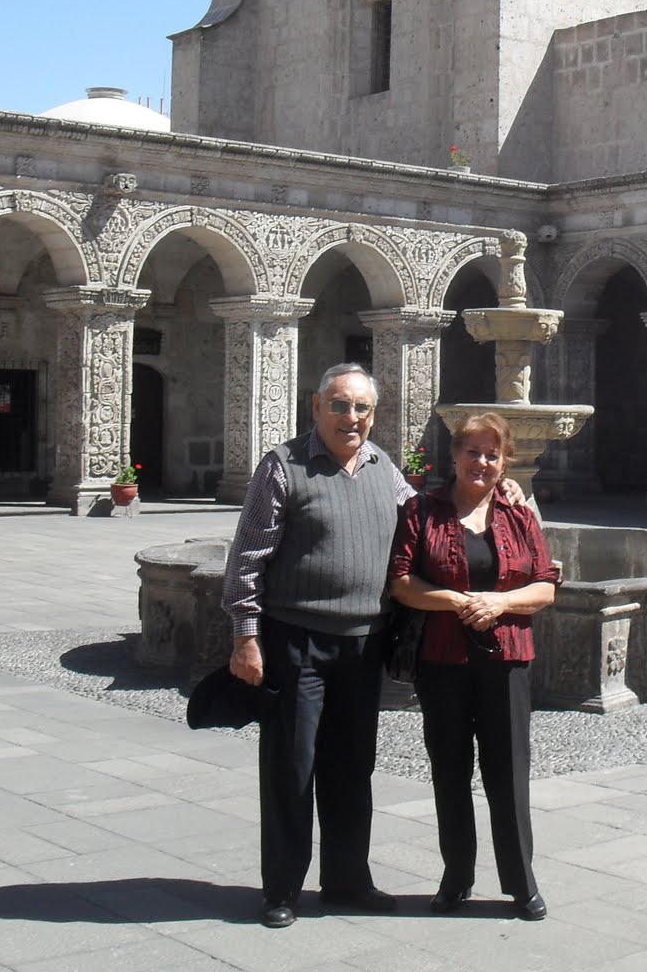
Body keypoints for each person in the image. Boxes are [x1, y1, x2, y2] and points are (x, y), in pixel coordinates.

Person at [220, 362, 411, 930]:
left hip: (363, 645)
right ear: (316, 407)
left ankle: (348, 880)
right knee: (292, 765)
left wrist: (498, 496)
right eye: (340, 405)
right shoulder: (283, 467)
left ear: (373, 415)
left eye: (362, 408)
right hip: (296, 642)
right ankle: (281, 888)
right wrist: (246, 637)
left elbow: (424, 522)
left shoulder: (383, 468)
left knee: (353, 766)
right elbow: (247, 558)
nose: (352, 417)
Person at [388, 412, 557, 922]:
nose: (481, 462)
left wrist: (499, 603)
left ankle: (521, 883)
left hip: (507, 660)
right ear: (455, 455)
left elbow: (545, 584)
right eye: (472, 451)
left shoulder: (518, 513)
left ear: (504, 462)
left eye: (492, 454)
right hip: (443, 659)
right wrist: (460, 601)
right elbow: (401, 581)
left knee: (509, 773)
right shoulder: (423, 509)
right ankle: (456, 877)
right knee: (450, 770)